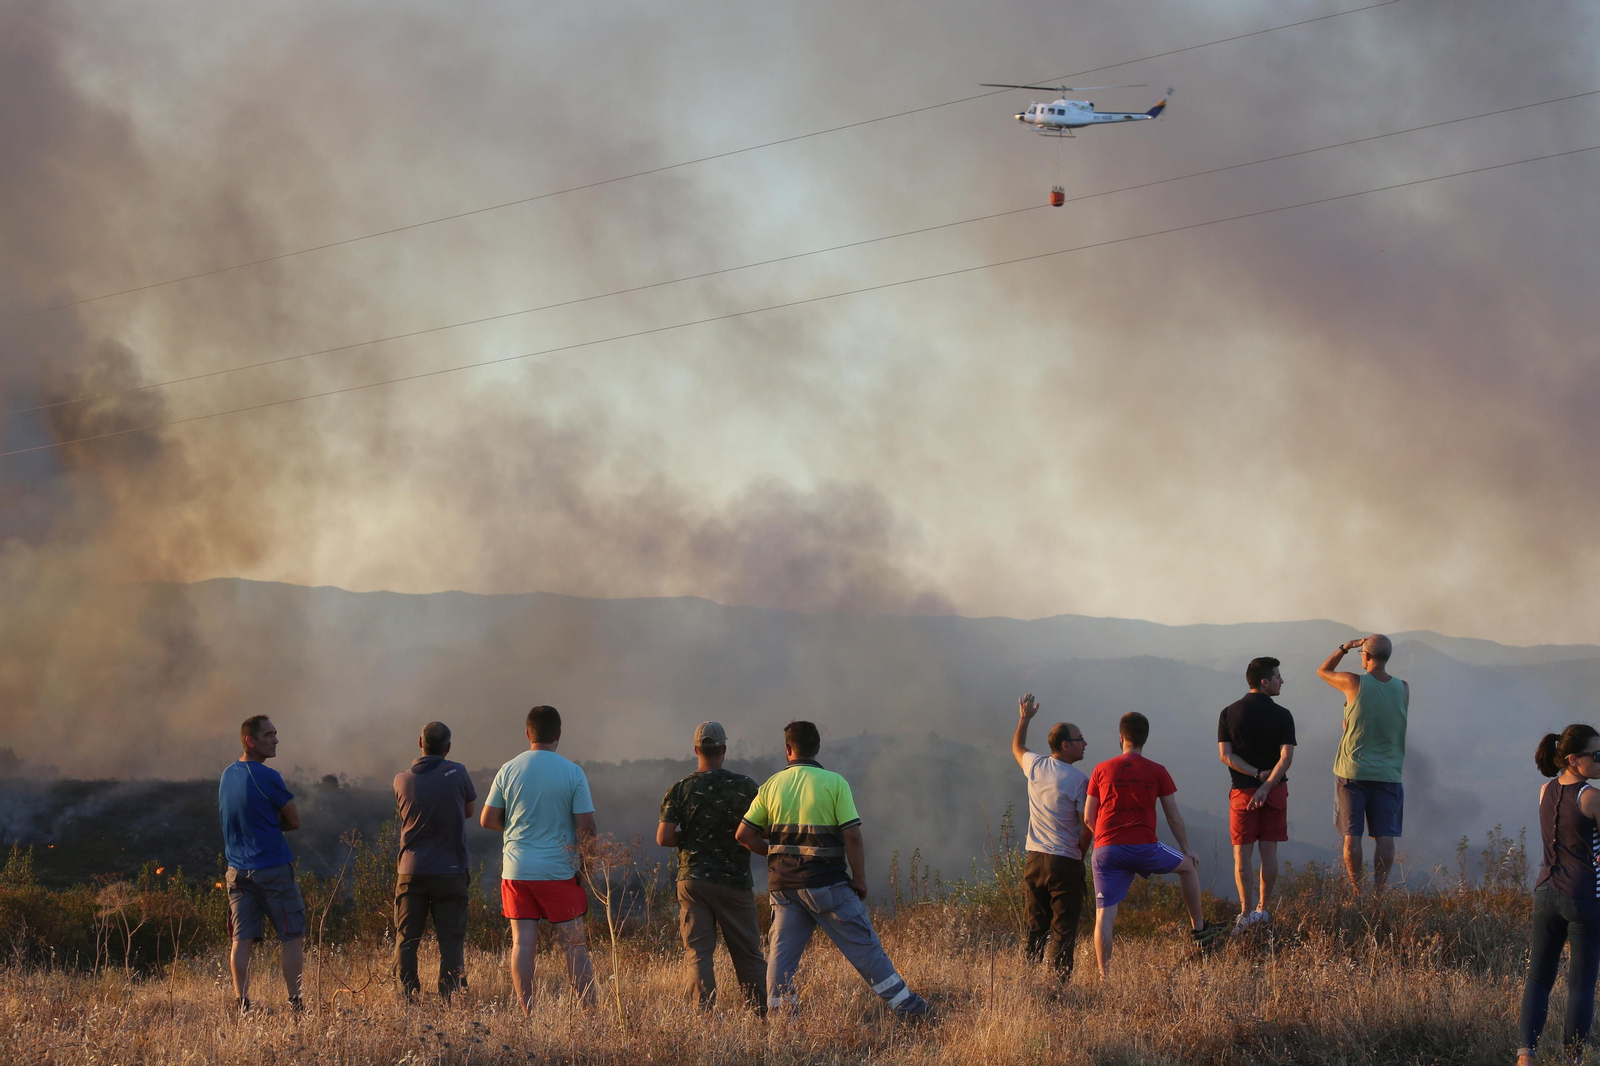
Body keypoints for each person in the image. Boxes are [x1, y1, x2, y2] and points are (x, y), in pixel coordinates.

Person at [735, 720, 929, 1017]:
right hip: (827, 885)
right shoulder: (835, 783)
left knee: (781, 960)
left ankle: (782, 1021)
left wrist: (773, 853)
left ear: (788, 749)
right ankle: (909, 1008)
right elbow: (852, 834)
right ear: (817, 748)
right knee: (865, 948)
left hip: (785, 889)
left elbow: (744, 835)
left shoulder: (771, 785)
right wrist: (860, 879)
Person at [1084, 712, 1226, 976]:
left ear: (1121, 738)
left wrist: (1104, 839)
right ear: (1144, 739)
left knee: (1104, 914)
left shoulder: (1101, 769)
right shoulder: (1157, 770)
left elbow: (1088, 816)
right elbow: (1172, 815)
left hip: (1105, 850)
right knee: (1188, 868)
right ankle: (1199, 929)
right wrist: (1186, 849)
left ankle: (1104, 976)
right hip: (1145, 846)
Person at [480, 705, 597, 1012]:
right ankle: (591, 1014)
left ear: (527, 733)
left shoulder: (509, 769)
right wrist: (587, 866)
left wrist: (518, 824)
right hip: (558, 871)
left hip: (517, 871)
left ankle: (526, 1012)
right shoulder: (572, 772)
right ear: (558, 734)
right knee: (574, 947)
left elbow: (487, 819)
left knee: (522, 944)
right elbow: (586, 827)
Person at [658, 721, 765, 1012]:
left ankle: (703, 1017)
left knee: (699, 955)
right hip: (733, 881)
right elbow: (763, 828)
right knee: (747, 954)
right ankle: (759, 1014)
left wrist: (692, 837)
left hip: (692, 881)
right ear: (724, 749)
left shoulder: (680, 789)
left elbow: (664, 837)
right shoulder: (745, 787)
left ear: (696, 750)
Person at [1517, 725, 1600, 1065]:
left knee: (1539, 976)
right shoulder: (1592, 797)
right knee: (1581, 984)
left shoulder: (1544, 790)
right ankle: (1572, 1060)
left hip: (1546, 892)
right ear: (1572, 759)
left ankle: (1526, 1056)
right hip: (1583, 896)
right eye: (1596, 756)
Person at [218, 715, 304, 1012]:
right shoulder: (266, 776)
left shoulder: (227, 774)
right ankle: (295, 1004)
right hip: (272, 869)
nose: (275, 740)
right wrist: (271, 824)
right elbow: (293, 820)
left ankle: (241, 1003)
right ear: (250, 741)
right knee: (291, 937)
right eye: (268, 735)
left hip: (236, 872)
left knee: (241, 939)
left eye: (275, 734)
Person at [1317, 634, 1409, 893]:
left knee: (1351, 834)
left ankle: (1357, 893)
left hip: (1352, 772)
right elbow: (1388, 719)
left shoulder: (1353, 682)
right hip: (1389, 773)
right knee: (1385, 836)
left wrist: (1345, 646)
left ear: (1365, 656)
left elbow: (1323, 671)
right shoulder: (1403, 688)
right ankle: (1379, 893)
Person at [393, 721, 477, 1000]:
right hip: (451, 871)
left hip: (411, 871)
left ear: (420, 742)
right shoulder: (459, 772)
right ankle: (449, 998)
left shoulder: (401, 780)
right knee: (451, 940)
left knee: (407, 940)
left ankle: (407, 997)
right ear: (448, 747)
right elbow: (467, 811)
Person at [1012, 693, 1089, 981]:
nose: (1085, 744)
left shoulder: (1035, 765)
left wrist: (1024, 719)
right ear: (1066, 745)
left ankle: (1028, 980)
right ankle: (1057, 986)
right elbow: (1086, 826)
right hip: (1064, 861)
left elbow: (1017, 746)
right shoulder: (1080, 780)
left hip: (1034, 859)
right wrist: (1080, 856)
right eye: (1080, 739)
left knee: (1036, 925)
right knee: (1064, 928)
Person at [1217, 657, 1296, 930]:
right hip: (1275, 790)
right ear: (1264, 682)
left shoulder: (1228, 713)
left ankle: (1245, 912)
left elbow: (1226, 756)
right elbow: (1285, 759)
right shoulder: (1283, 715)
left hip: (1242, 792)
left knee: (1242, 856)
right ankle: (1263, 909)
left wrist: (1254, 776)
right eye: (1277, 677)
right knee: (1269, 852)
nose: (1281, 681)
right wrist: (1267, 785)